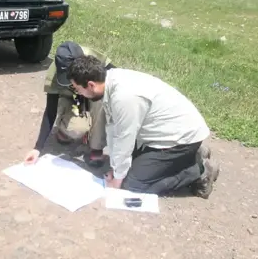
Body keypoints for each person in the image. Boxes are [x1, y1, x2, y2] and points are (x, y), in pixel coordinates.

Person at [65, 55, 220, 199]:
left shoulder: (124, 98)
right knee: (125, 169)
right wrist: (115, 168)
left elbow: (124, 138)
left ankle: (199, 170)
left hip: (180, 138)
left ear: (91, 85)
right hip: (171, 131)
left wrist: (117, 181)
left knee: (131, 186)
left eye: (78, 89)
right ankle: (191, 154)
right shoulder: (111, 79)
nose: (79, 93)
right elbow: (114, 130)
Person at [23, 41, 115, 167]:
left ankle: (96, 147)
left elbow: (115, 76)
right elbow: (50, 111)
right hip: (71, 99)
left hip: (92, 94)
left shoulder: (92, 57)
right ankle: (65, 128)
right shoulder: (53, 74)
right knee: (76, 130)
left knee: (101, 102)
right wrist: (38, 147)